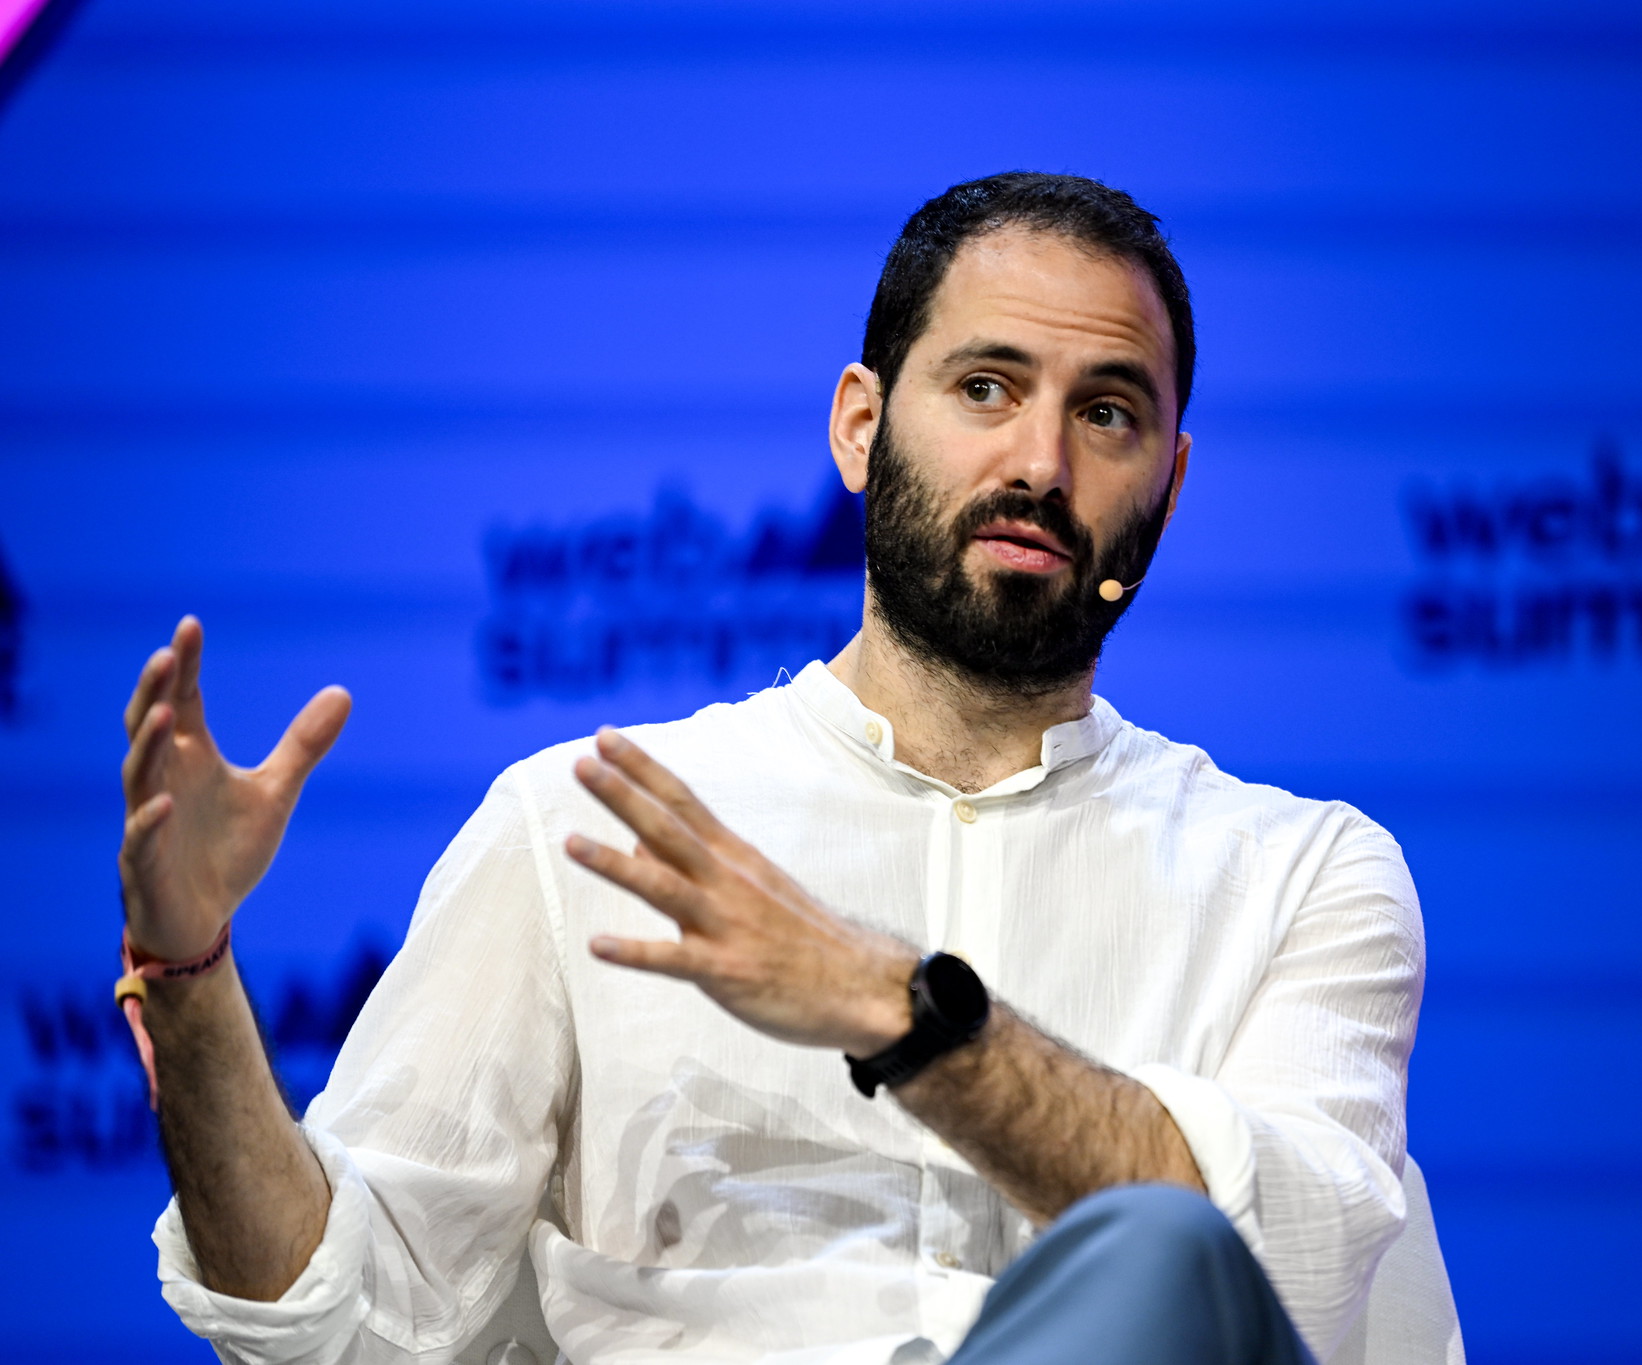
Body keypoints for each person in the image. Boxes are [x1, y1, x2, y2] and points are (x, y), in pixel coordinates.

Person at [117, 173, 1424, 1365]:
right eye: (986, 388)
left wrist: (888, 1001)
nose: (1040, 461)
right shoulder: (583, 828)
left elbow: (1272, 1280)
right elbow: (341, 1327)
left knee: (1161, 1251)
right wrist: (189, 977)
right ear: (860, 426)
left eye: (1108, 411)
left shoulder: (1300, 876)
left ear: (1173, 482)